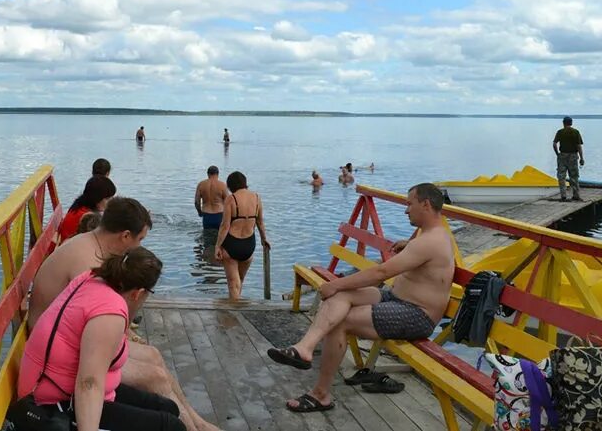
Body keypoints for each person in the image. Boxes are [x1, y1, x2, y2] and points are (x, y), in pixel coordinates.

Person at [27, 198, 219, 431]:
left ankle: (196, 423)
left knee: (154, 357)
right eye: (140, 240)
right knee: (155, 378)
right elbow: (89, 380)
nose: (138, 247)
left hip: (62, 349)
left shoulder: (92, 252)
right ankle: (192, 427)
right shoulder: (87, 265)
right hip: (57, 371)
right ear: (125, 236)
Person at [266, 183, 455, 413]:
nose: (406, 210)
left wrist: (333, 283)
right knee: (341, 296)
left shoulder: (430, 241)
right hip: (395, 299)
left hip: (416, 315)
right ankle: (304, 348)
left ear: (425, 204)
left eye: (409, 204)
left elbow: (381, 272)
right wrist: (409, 244)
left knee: (341, 319)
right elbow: (419, 255)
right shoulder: (428, 235)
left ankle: (320, 394)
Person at [15, 248, 184, 431]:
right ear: (138, 293)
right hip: (51, 404)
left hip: (54, 387)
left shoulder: (91, 278)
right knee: (171, 426)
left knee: (167, 407)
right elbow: (89, 383)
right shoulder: (110, 313)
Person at [214, 171, 270, 300]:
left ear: (230, 185)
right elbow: (260, 222)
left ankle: (233, 315)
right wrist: (264, 239)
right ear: (245, 183)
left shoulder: (231, 199)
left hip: (232, 244)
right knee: (240, 280)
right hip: (249, 244)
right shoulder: (256, 197)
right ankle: (238, 306)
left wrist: (217, 246)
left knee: (233, 284)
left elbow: (225, 226)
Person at [58, 176, 117, 245]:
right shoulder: (86, 217)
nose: (111, 202)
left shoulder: (79, 207)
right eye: (107, 199)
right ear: (97, 198)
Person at [553, 117, 584, 201]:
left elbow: (554, 144)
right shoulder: (575, 132)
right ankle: (576, 195)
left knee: (561, 176)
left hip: (562, 156)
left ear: (563, 123)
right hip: (573, 156)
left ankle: (563, 195)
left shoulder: (560, 132)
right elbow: (579, 146)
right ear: (571, 123)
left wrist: (557, 154)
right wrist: (581, 158)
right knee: (574, 176)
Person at [194, 166, 227, 230]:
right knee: (220, 237)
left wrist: (199, 212)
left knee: (206, 237)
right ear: (217, 174)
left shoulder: (201, 184)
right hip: (219, 215)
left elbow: (196, 202)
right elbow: (228, 202)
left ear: (208, 174)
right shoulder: (222, 185)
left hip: (207, 216)